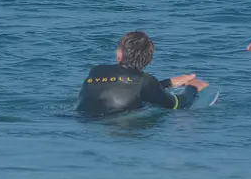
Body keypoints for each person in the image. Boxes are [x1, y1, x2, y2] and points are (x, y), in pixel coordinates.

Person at [75, 31, 206, 117]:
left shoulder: (96, 70)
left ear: (119, 54)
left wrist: (169, 82)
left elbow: (125, 86)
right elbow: (178, 104)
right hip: (114, 124)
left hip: (81, 120)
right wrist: (193, 87)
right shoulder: (145, 80)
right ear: (148, 60)